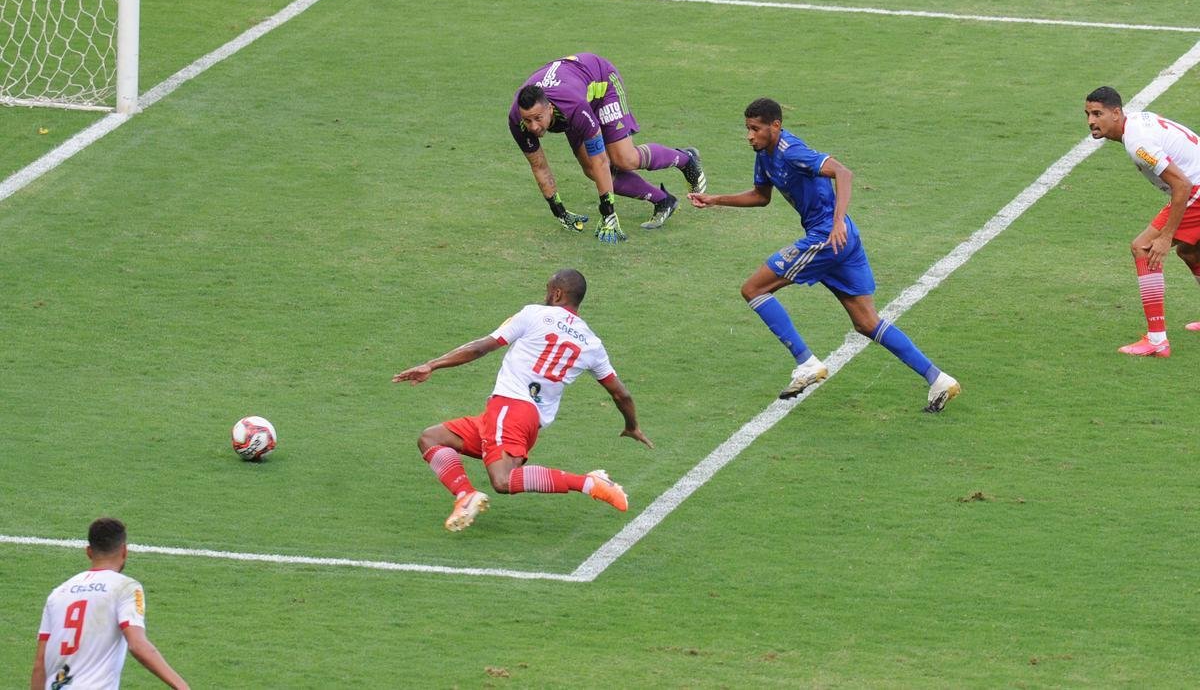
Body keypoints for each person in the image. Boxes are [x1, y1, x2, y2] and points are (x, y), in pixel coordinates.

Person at [688, 97, 960, 412]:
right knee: (866, 322)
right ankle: (938, 379)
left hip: (828, 238)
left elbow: (843, 173)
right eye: (748, 128)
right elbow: (761, 197)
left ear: (775, 126)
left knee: (753, 289)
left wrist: (837, 223)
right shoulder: (764, 154)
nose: (750, 135)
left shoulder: (794, 153)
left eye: (756, 129)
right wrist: (715, 199)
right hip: (841, 241)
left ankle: (806, 362)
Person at [393, 268, 654, 531]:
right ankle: (465, 495)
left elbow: (480, 347)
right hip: (525, 421)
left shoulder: (534, 315)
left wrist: (432, 365)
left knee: (503, 481)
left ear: (557, 293)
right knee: (432, 438)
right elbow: (621, 393)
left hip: (509, 410)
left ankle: (589, 483)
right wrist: (632, 425)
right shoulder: (591, 343)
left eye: (548, 289)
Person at [508, 53, 707, 242]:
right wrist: (559, 210)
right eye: (528, 120)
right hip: (578, 93)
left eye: (538, 118)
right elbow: (539, 166)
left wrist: (608, 214)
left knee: (623, 159)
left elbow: (601, 160)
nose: (533, 127)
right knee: (590, 169)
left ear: (549, 108)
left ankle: (686, 159)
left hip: (602, 84)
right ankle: (663, 200)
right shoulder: (517, 120)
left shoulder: (573, 106)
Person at [1085, 86, 1200, 356]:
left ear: (1116, 113)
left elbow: (1182, 186)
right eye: (1088, 114)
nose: (1091, 120)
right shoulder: (1137, 124)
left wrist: (1164, 237)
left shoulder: (1139, 144)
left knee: (1143, 247)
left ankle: (1157, 340)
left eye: (1097, 113)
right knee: (1190, 250)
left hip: (1196, 188)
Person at [32, 518, 188, 690]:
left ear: (89, 552)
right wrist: (182, 686)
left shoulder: (58, 593)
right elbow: (137, 645)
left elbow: (40, 664)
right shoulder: (126, 587)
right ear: (124, 551)